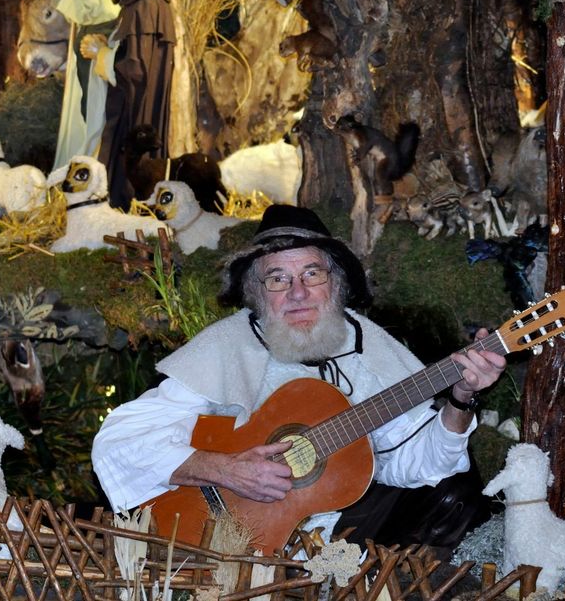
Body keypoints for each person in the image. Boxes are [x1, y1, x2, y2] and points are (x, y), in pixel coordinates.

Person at [92, 204, 506, 548]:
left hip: (341, 531)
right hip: (232, 530)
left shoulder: (372, 349)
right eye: (278, 279)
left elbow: (419, 462)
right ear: (257, 293)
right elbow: (118, 442)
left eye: (312, 273)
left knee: (456, 492)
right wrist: (222, 469)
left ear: (336, 283)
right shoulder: (226, 346)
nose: (297, 292)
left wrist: (461, 398)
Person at [80, 0, 175, 210]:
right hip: (128, 102)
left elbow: (137, 69)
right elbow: (130, 53)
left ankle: (129, 208)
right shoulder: (135, 6)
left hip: (137, 106)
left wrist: (101, 54)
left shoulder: (146, 6)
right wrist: (107, 46)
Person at [41, 0, 133, 171]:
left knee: (92, 115)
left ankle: (90, 167)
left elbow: (102, 11)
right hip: (90, 44)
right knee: (86, 112)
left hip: (97, 45)